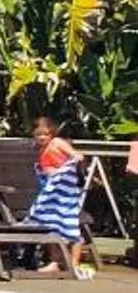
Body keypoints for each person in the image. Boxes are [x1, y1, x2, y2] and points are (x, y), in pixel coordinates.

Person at [23, 115, 92, 279]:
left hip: (66, 195)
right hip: (53, 195)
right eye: (38, 134)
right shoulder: (41, 152)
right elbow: (47, 171)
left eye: (45, 134)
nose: (42, 138)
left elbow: (75, 154)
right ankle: (54, 262)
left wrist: (75, 159)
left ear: (52, 134)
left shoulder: (57, 143)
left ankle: (74, 263)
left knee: (71, 227)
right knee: (52, 226)